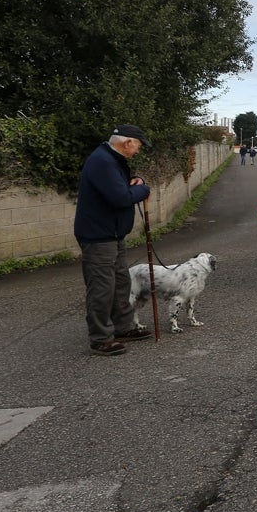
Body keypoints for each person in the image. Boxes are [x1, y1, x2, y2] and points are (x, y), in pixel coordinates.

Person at [74, 125, 154, 356]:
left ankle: (122, 328)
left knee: (120, 284)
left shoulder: (113, 159)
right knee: (101, 288)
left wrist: (136, 181)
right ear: (128, 142)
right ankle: (100, 338)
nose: (138, 151)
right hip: (98, 236)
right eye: (138, 145)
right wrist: (144, 189)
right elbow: (120, 197)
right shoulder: (103, 161)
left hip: (113, 233)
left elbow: (120, 187)